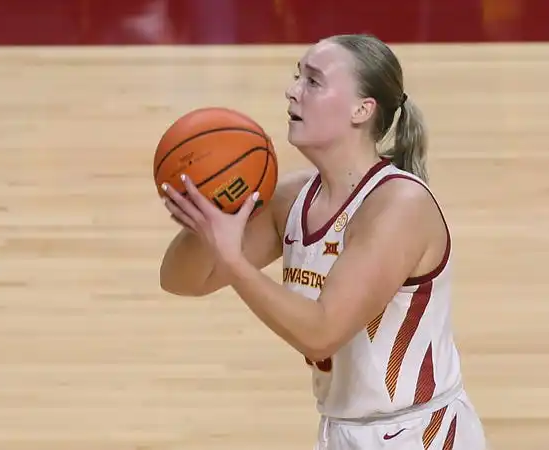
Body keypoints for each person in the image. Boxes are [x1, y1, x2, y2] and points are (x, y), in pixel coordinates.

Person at [159, 33, 487, 450]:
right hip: (343, 432)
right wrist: (206, 219)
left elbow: (322, 331)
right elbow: (183, 280)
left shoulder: (399, 205)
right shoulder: (292, 199)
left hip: (420, 435)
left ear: (361, 109)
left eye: (313, 81)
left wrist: (233, 260)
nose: (292, 91)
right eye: (299, 77)